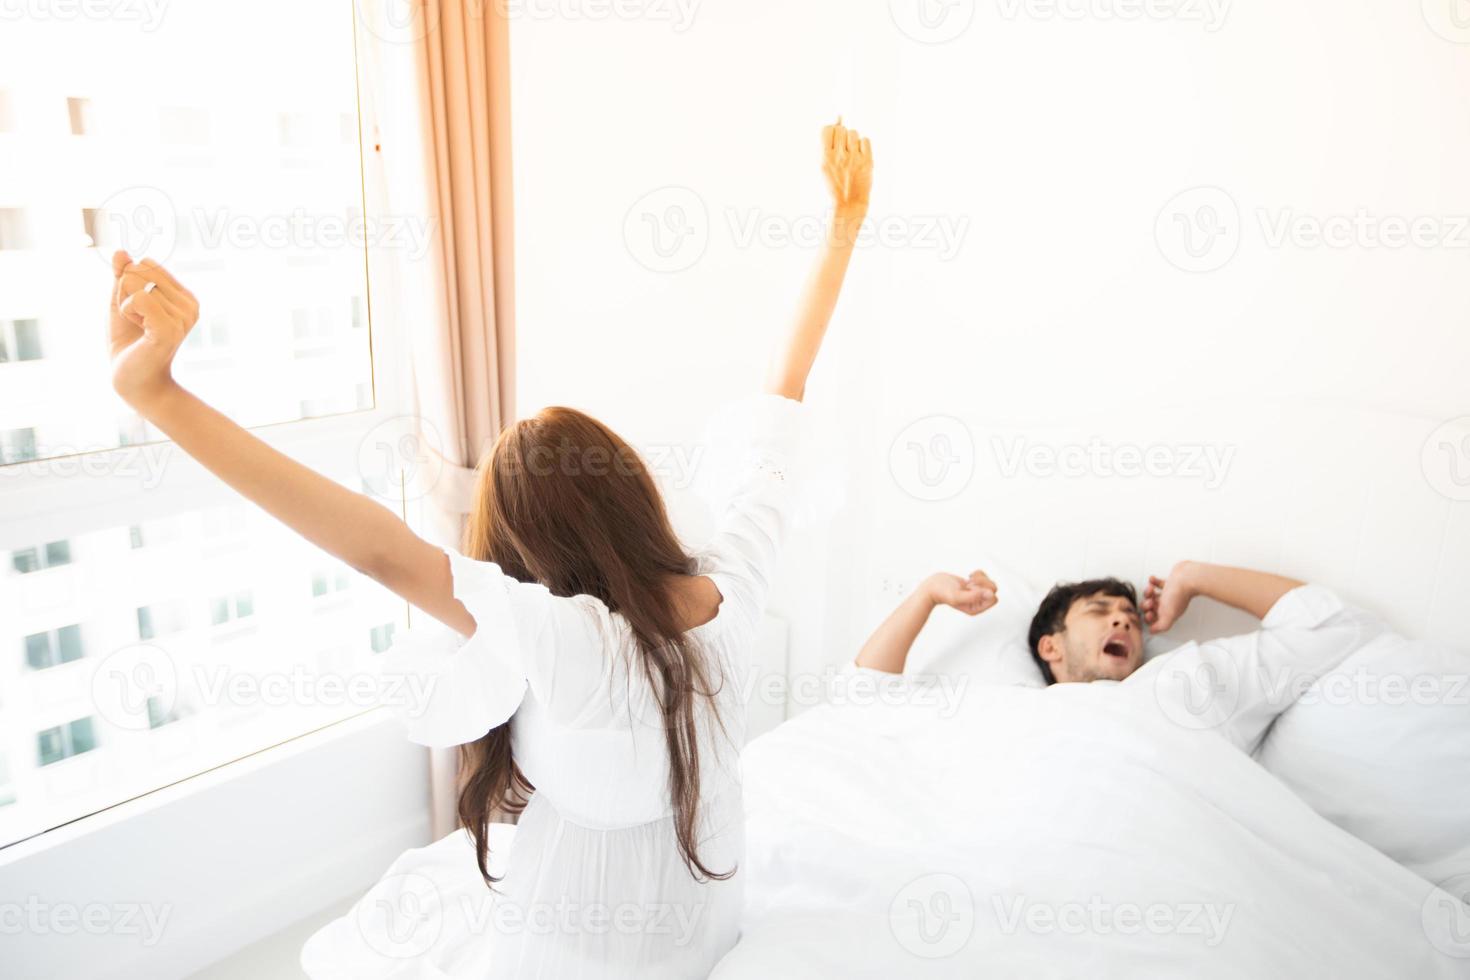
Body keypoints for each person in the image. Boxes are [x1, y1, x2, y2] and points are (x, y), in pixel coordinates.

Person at [106, 119, 874, 978]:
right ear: (632, 494)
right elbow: (782, 398)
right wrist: (843, 224)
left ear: (522, 543)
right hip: (708, 925)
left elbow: (380, 550)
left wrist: (163, 398)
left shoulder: (568, 638)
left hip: (579, 948)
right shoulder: (734, 583)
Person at [856, 560, 1380, 751]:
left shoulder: (1180, 684)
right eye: (1099, 610)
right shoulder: (1005, 709)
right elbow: (861, 702)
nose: (1123, 620)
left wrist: (1195, 577)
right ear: (1050, 647)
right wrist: (926, 594)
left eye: (1130, 616)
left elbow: (1332, 625)